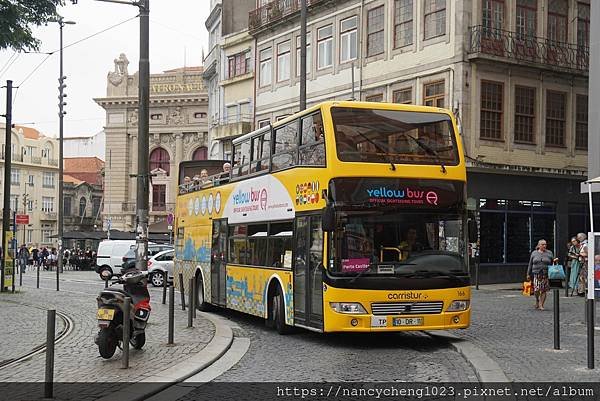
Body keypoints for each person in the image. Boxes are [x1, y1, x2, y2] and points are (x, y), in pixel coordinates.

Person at [527, 239, 555, 310]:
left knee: (543, 290)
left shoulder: (549, 253)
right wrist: (528, 274)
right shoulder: (534, 253)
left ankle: (541, 304)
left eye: (545, 244)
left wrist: (555, 261)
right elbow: (530, 264)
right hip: (536, 274)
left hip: (545, 274)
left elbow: (552, 263)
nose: (544, 246)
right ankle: (537, 300)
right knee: (536, 289)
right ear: (539, 245)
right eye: (542, 244)